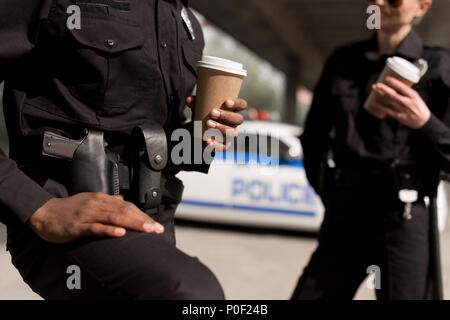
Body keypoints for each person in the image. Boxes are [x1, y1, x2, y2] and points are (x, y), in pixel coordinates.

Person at [0, 0, 247, 299]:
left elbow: (156, 143)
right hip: (67, 215)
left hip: (152, 223)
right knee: (192, 294)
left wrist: (203, 136)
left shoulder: (187, 23)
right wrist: (39, 208)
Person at [292, 0, 450, 300]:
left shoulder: (440, 67)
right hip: (345, 213)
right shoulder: (343, 60)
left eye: (393, 0)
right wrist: (329, 191)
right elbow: (313, 137)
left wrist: (425, 121)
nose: (380, 3)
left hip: (403, 218)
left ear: (422, 8)